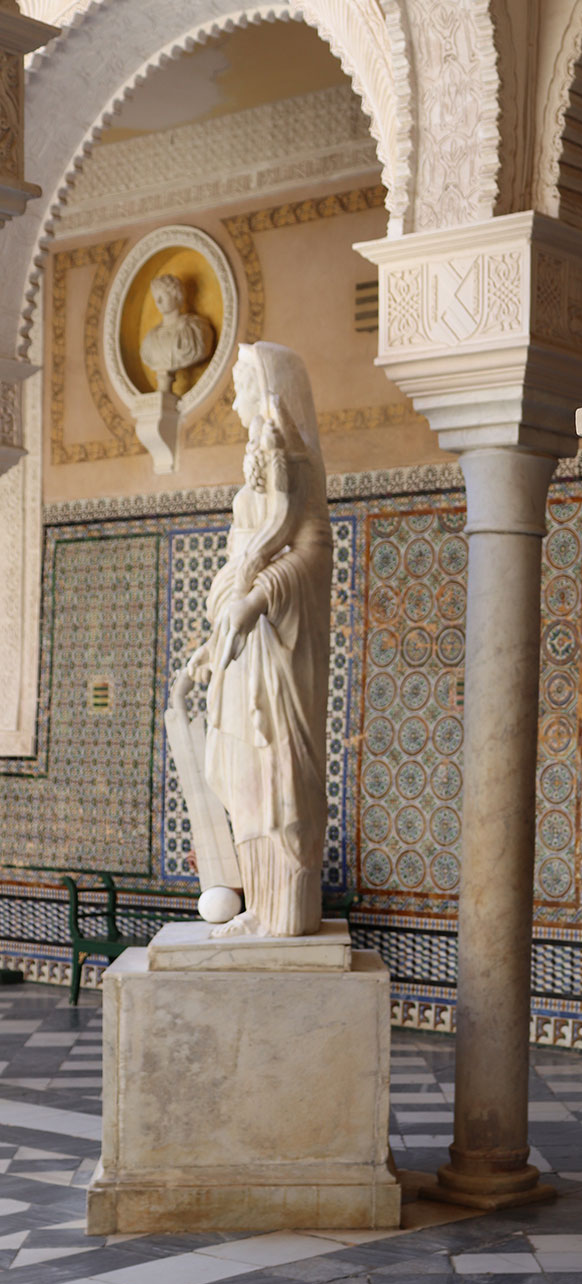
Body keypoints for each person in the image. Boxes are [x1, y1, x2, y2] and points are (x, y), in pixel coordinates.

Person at [185, 342, 333, 936]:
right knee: (246, 784)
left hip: (279, 652)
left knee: (282, 784)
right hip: (243, 651)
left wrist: (258, 598)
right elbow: (238, 558)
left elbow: (313, 550)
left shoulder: (292, 464)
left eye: (242, 382)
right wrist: (219, 625)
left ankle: (288, 914)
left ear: (268, 390)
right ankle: (260, 912)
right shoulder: (258, 464)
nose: (233, 397)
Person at [140, 273, 214, 393]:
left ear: (176, 295)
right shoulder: (150, 339)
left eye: (162, 295)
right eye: (156, 297)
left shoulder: (195, 329)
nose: (158, 301)